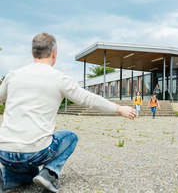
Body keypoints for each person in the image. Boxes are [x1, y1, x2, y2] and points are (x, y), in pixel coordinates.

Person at [0, 33, 136, 193]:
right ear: (54, 53)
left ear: (32, 53)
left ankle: (6, 178)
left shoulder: (12, 76)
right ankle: (49, 174)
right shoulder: (59, 78)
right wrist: (119, 109)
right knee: (70, 137)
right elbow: (89, 99)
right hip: (35, 152)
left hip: (4, 152)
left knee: (30, 172)